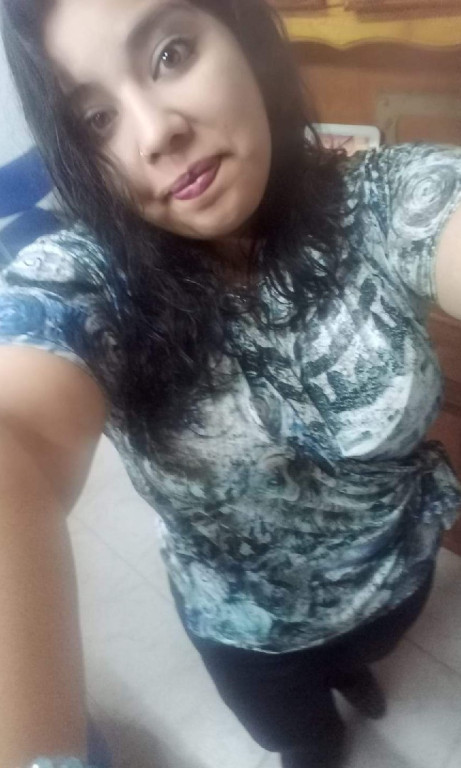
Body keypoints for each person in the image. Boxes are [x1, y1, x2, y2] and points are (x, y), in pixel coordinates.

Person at [1, 1, 461, 766]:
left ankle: (352, 675)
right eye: (96, 120)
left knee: (363, 667)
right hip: (250, 637)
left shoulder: (381, 201)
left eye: (171, 53)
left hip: (393, 578)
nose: (156, 132)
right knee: (304, 744)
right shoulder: (90, 282)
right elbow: (19, 435)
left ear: (242, 38)